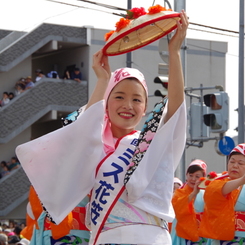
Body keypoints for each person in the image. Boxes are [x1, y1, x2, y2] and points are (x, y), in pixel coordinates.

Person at [16, 10, 188, 245]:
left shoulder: (151, 141)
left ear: (146, 108)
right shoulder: (94, 148)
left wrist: (174, 52)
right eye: (118, 97)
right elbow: (83, 129)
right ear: (106, 103)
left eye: (137, 99)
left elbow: (176, 110)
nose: (128, 105)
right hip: (104, 237)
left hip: (150, 237)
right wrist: (102, 80)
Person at [199, 143, 245, 244]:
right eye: (232, 162)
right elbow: (217, 192)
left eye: (240, 163)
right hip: (221, 238)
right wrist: (242, 180)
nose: (235, 166)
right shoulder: (218, 182)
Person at [171, 159, 209, 244]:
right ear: (186, 175)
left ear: (203, 177)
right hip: (183, 235)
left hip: (202, 236)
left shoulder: (206, 193)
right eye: (191, 175)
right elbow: (177, 209)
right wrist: (193, 194)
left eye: (197, 176)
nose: (193, 179)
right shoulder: (179, 192)